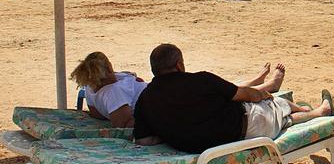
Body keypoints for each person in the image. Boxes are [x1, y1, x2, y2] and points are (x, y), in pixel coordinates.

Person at [133, 44, 334, 152]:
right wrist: (262, 95)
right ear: (179, 64)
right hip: (241, 130)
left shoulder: (145, 99)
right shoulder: (201, 80)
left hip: (196, 146)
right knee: (276, 104)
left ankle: (300, 110)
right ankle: (316, 111)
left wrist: (172, 130)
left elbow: (144, 140)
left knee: (275, 115)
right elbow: (246, 95)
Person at [70, 51, 286, 129]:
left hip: (161, 91)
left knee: (217, 86)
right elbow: (123, 123)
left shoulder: (93, 88)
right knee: (216, 92)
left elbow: (97, 113)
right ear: (106, 68)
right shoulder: (112, 93)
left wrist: (132, 82)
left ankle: (258, 81)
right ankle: (268, 87)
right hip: (165, 98)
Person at [69, 52, 147, 128]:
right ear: (109, 67)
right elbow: (124, 126)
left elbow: (97, 114)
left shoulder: (90, 87)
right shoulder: (113, 92)